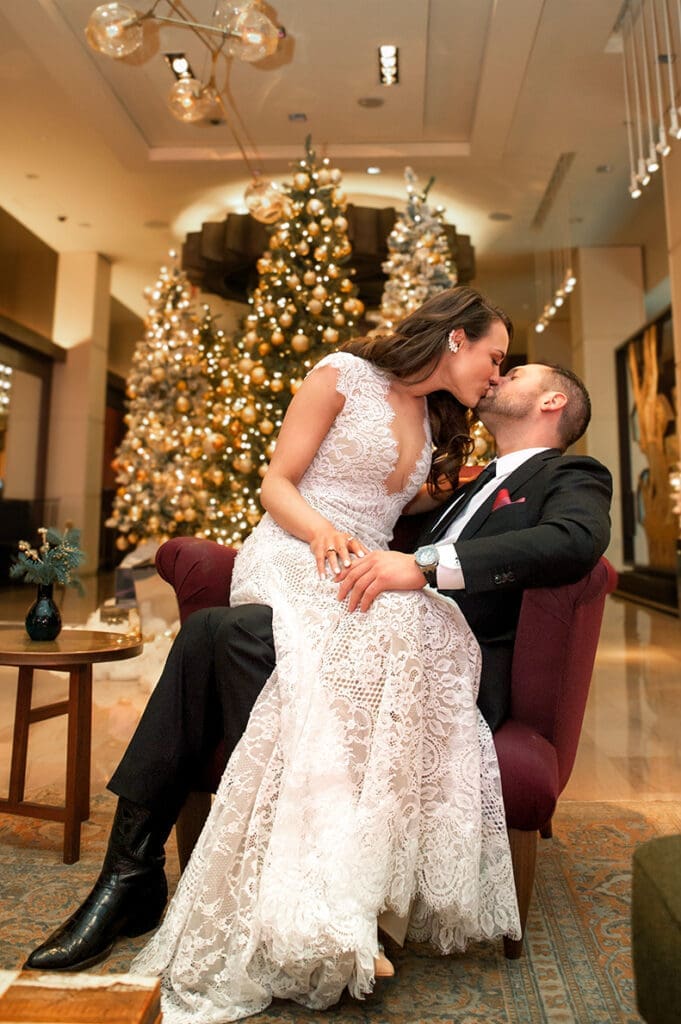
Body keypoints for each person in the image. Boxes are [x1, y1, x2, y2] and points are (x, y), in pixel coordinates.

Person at [25, 298, 613, 998]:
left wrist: (420, 568)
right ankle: (145, 875)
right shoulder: (451, 473)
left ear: (549, 401)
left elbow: (574, 542)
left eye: (511, 370)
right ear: (455, 339)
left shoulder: (568, 476)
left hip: (439, 654)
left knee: (211, 637)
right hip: (357, 610)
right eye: (495, 357)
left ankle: (134, 874)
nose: (496, 374)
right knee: (215, 637)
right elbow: (335, 488)